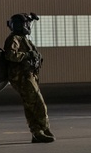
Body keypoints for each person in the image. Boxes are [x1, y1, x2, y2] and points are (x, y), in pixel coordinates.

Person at [3, 12, 54, 143]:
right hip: (22, 77)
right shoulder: (14, 39)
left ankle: (37, 132)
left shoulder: (24, 39)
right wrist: (26, 56)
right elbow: (10, 55)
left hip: (29, 75)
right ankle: (43, 129)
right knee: (38, 103)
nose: (28, 26)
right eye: (26, 23)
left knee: (30, 105)